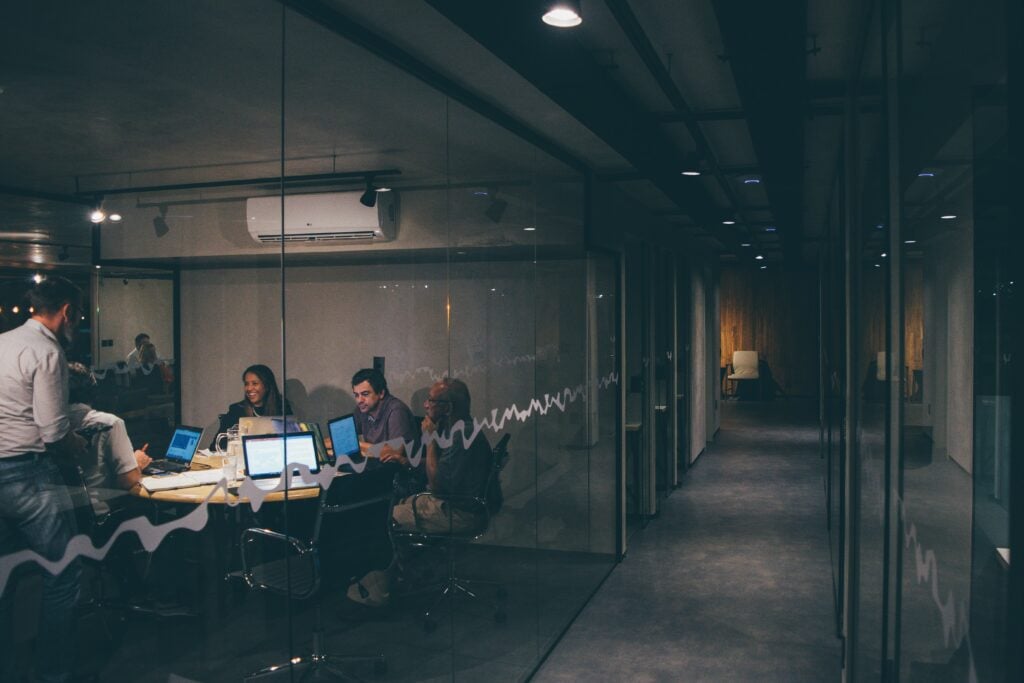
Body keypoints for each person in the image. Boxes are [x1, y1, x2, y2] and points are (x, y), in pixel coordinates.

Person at [0, 276, 86, 682]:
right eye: (78, 315)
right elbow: (52, 430)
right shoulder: (46, 351)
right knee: (64, 571)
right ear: (67, 312)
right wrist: (79, 446)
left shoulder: (3, 342)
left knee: (6, 575)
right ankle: (54, 673)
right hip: (28, 472)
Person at [346, 378, 492, 608]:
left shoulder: (459, 436)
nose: (425, 405)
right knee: (394, 505)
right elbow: (442, 468)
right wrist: (405, 460)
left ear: (448, 408)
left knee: (383, 519)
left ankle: (383, 590)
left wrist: (431, 440)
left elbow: (437, 485)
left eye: (431, 401)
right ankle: (402, 574)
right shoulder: (462, 428)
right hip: (457, 503)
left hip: (458, 511)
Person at [67, 364, 153, 517]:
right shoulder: (109, 423)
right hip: (103, 516)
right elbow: (127, 480)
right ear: (92, 390)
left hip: (63, 519)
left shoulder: (45, 427)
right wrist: (137, 463)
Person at [209, 364, 291, 449]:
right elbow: (215, 446)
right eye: (246, 384)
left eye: (255, 383)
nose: (249, 388)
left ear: (267, 386)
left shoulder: (282, 407)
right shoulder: (236, 410)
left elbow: (290, 442)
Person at [350, 368, 417, 465]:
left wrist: (357, 445)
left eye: (365, 394)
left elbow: (393, 453)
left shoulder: (396, 410)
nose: (359, 400)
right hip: (377, 466)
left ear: (381, 393)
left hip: (400, 473)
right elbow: (340, 440)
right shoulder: (363, 408)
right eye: (356, 395)